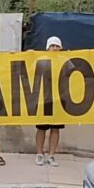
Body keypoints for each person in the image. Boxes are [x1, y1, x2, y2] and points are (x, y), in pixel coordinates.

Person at [35, 36, 64, 167]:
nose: (55, 48)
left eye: (57, 46)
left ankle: (51, 155)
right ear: (47, 48)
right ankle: (39, 154)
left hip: (59, 99)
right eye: (52, 46)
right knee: (41, 128)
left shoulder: (65, 61)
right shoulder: (41, 60)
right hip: (43, 99)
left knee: (56, 129)